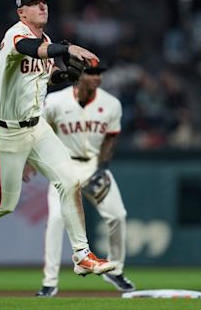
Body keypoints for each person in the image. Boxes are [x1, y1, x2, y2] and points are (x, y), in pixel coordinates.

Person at [0, 0, 117, 277]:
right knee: (5, 203)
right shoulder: (15, 35)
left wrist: (68, 75)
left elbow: (45, 76)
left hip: (37, 127)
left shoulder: (44, 38)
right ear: (22, 12)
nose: (43, 6)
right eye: (35, 3)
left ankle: (82, 255)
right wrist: (67, 49)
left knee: (70, 181)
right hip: (5, 133)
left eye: (44, 1)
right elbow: (30, 50)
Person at [24, 61, 136, 297]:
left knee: (118, 216)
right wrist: (30, 161)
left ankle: (115, 270)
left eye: (99, 73)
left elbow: (110, 139)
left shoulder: (111, 104)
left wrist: (102, 168)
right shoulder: (55, 102)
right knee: (55, 220)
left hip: (94, 165)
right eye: (91, 73)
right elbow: (37, 132)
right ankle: (49, 282)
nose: (97, 77)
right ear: (78, 75)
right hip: (63, 166)